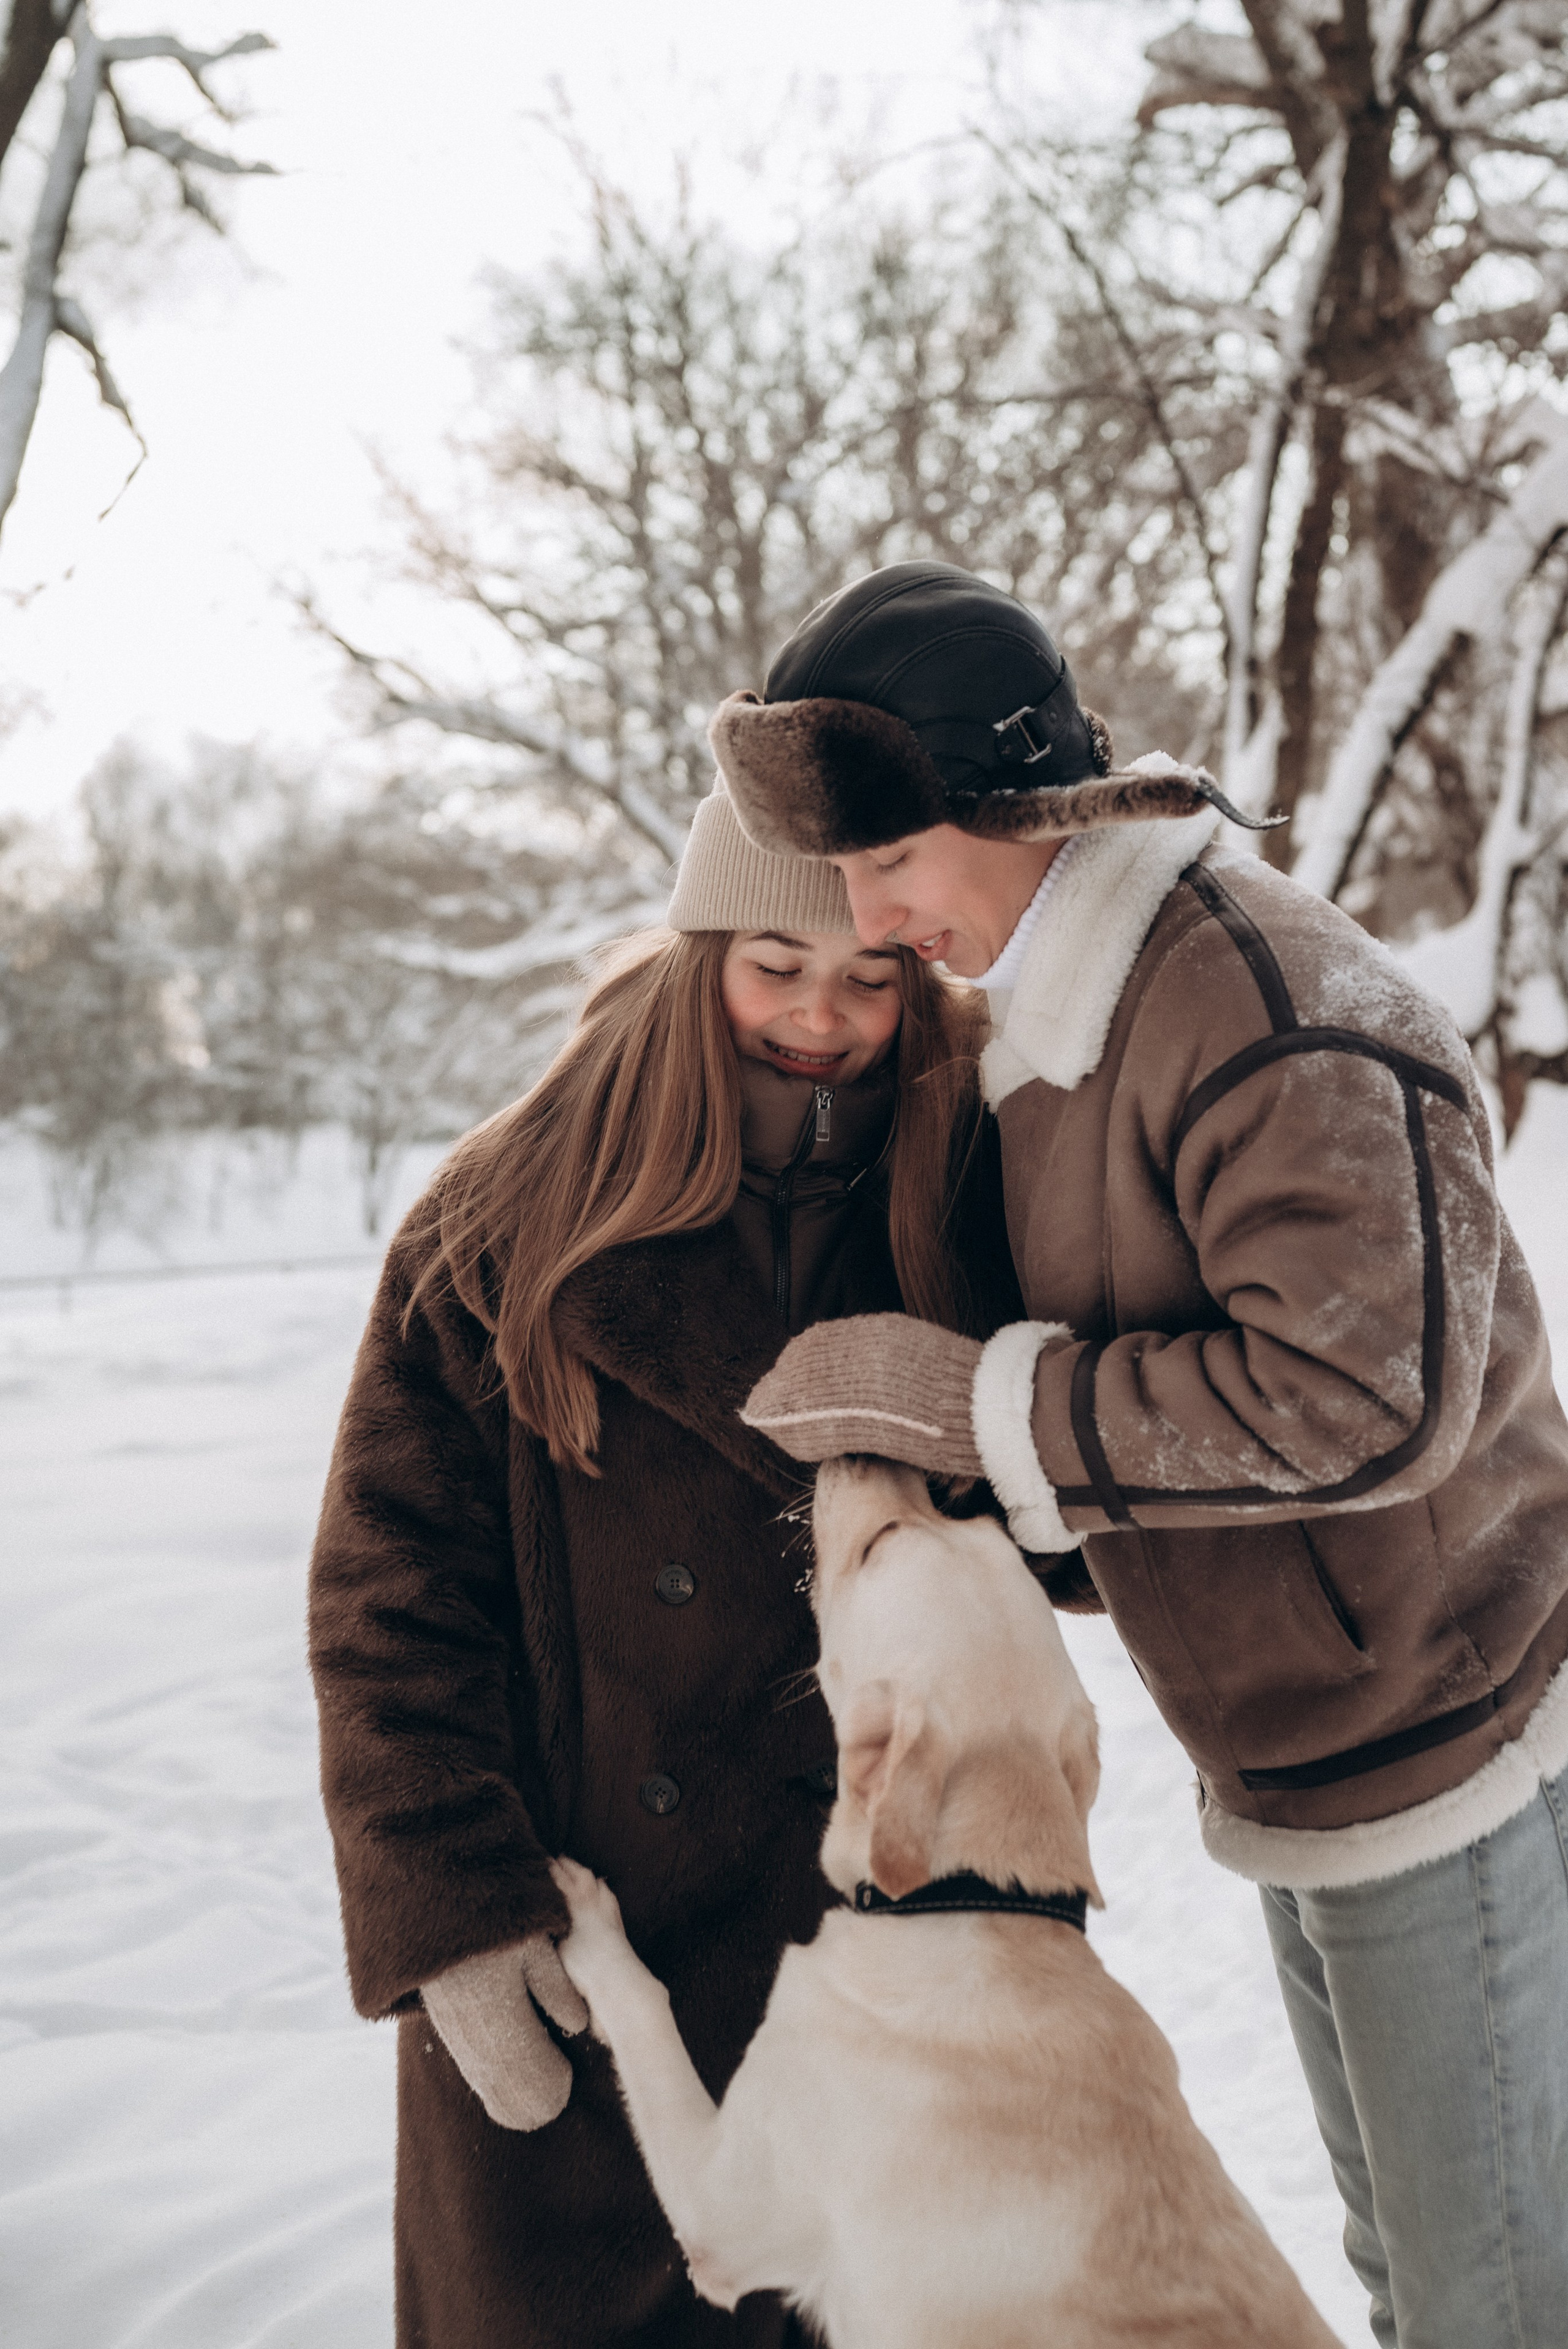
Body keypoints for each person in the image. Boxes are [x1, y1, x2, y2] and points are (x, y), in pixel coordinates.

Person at [734, 561, 1568, 2349]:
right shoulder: (1068, 1014)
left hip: (1451, 1738)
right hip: (1312, 1751)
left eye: (893, 865)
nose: (874, 922)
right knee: (1417, 2278)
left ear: (1017, 806)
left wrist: (980, 1408)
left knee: (1492, 2300)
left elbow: (1367, 1396)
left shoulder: (1262, 1003)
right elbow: (1162, 1392)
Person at [307, 776, 1020, 2349]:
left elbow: (1057, 1529)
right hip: (583, 1934)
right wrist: (451, 1907)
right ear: (701, 947)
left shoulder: (970, 1186)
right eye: (774, 964)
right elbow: (393, 1594)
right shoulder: (508, 1205)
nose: (819, 1019)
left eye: (867, 976)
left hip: (874, 1954)